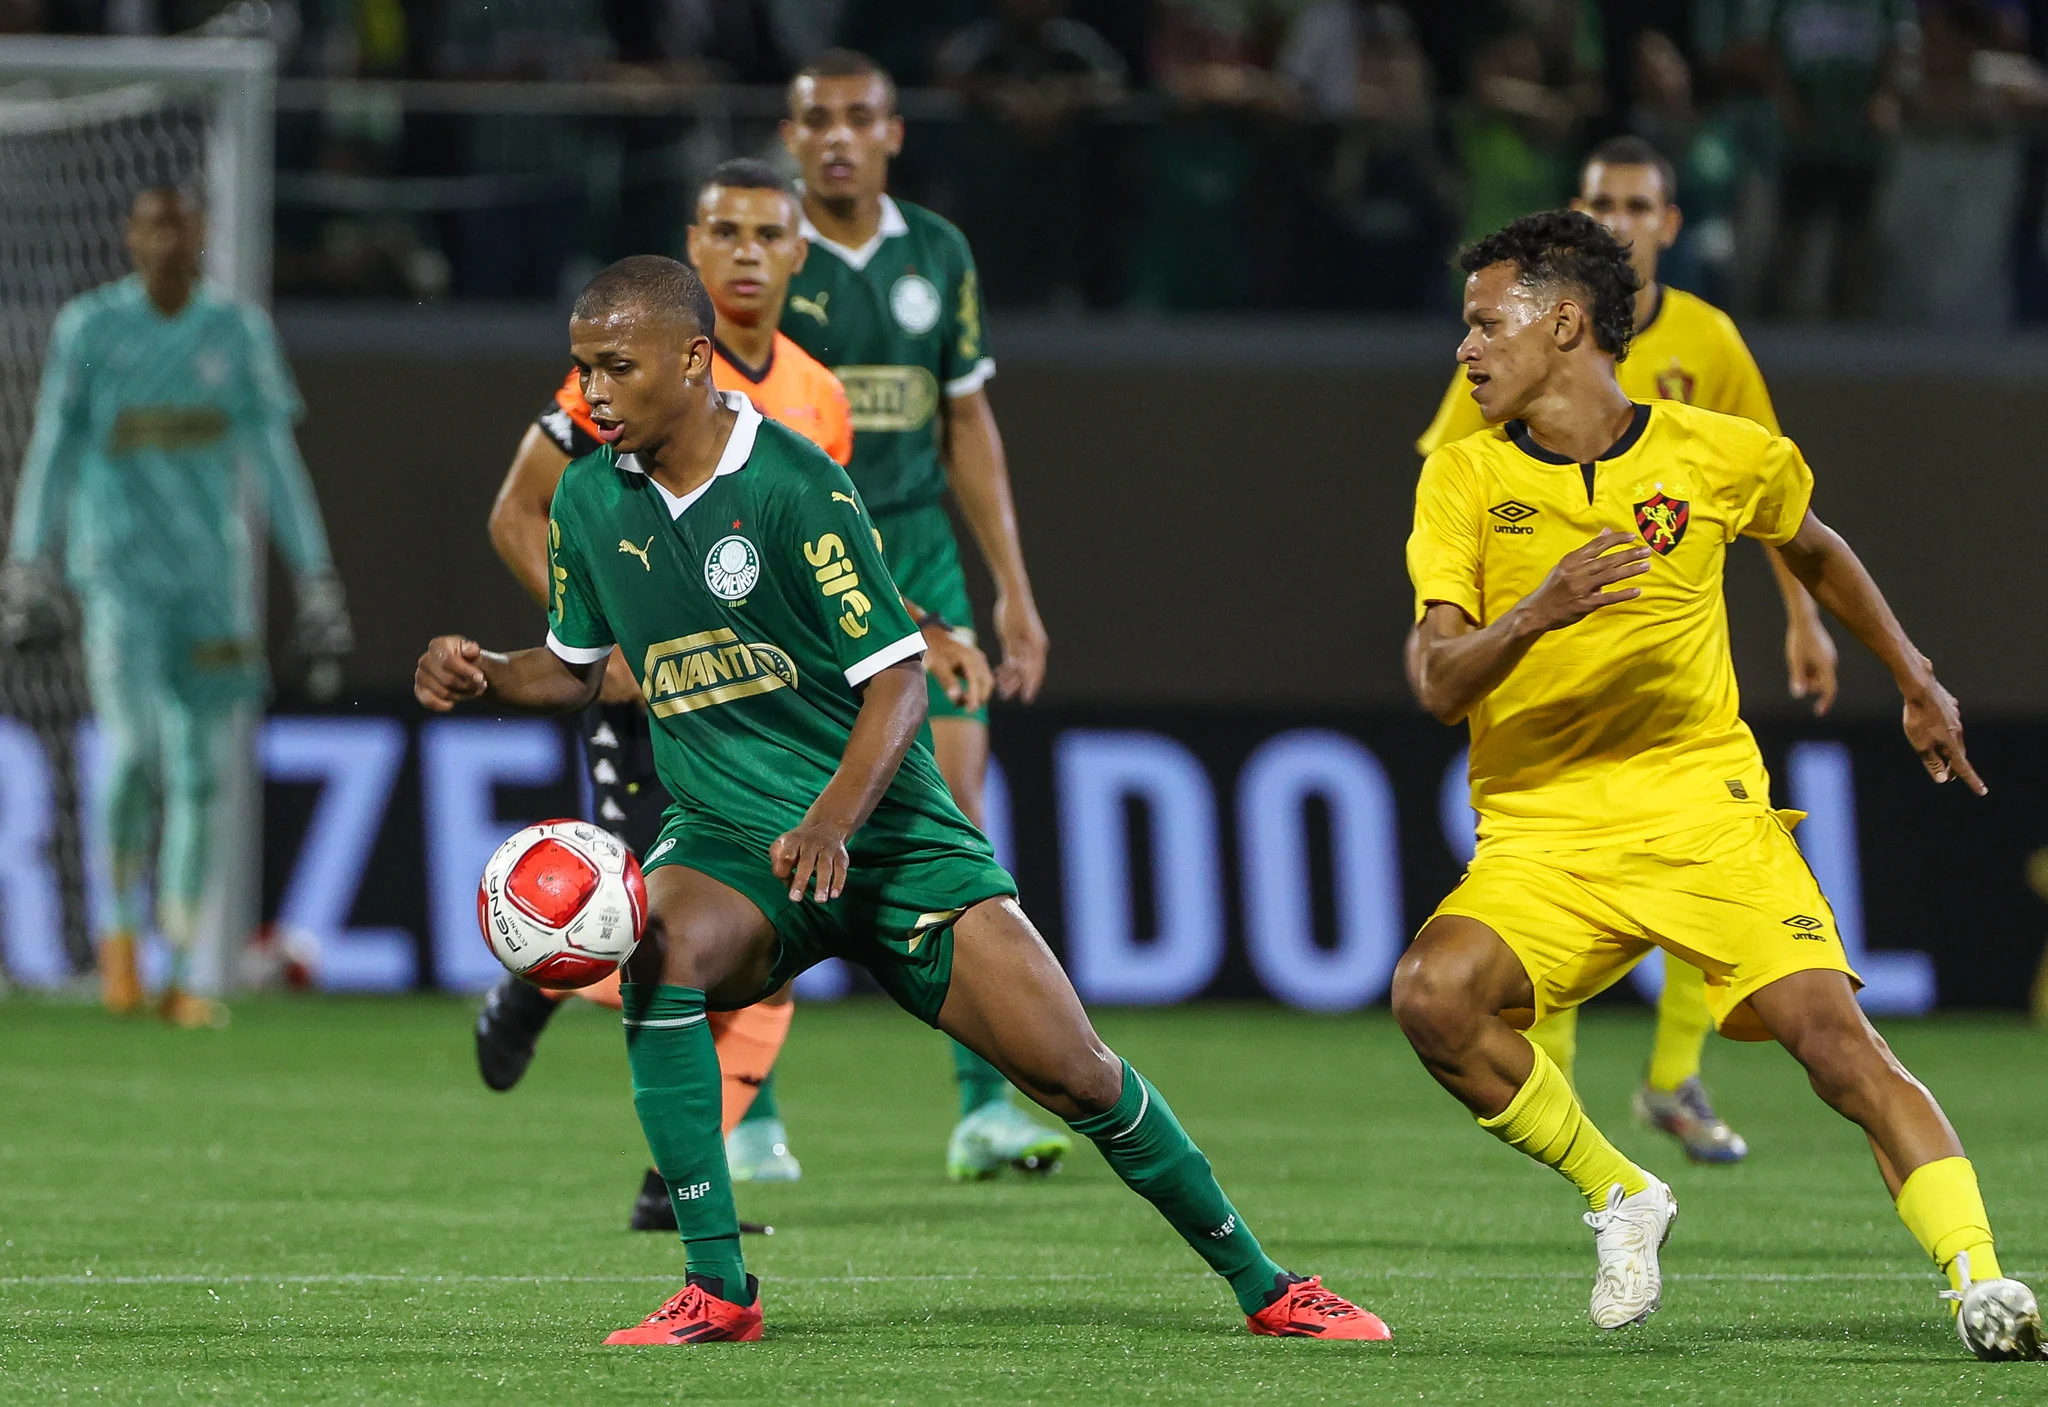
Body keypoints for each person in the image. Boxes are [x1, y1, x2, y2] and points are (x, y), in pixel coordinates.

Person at [414, 254, 1391, 1346]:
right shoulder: (592, 498)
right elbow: (580, 664)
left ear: (690, 362)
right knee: (655, 949)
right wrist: (491, 673)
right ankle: (719, 1289)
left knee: (1074, 1073)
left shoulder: (791, 481)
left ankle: (1265, 1284)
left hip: (886, 838)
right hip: (735, 842)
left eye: (613, 368)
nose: (589, 393)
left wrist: (833, 818)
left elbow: (897, 678)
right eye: (580, 369)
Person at [1395, 209, 2040, 1358]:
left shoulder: (1712, 452)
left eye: (1483, 323)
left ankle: (1979, 1280)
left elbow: (1814, 545)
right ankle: (1620, 1190)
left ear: (1564, 323)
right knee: (1432, 996)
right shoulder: (1460, 478)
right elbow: (1439, 682)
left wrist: (1911, 676)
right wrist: (1536, 612)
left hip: (1701, 809)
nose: (1464, 349)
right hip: (1543, 826)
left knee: (1836, 1046)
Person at [475, 161, 993, 1227]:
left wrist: (923, 631)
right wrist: (611, 633)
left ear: (798, 257)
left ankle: (675, 1181)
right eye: (726, 232)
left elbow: (829, 560)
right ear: (693, 251)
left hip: (763, 721)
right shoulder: (612, 378)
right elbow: (522, 514)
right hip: (649, 702)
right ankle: (549, 985)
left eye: (769, 234)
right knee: (649, 924)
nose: (748, 252)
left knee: (759, 923)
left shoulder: (817, 398)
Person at [1416, 135, 1839, 1166]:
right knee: (1540, 909)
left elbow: (1781, 504)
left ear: (1669, 222)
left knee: (1701, 871)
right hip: (1548, 688)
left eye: (1638, 203)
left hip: (1666, 671)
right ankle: (1583, 1129)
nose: (1619, 218)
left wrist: (1800, 616)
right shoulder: (1513, 343)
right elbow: (1455, 460)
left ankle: (1668, 1082)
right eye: (1601, 200)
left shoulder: (1706, 339)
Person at [778, 50, 1075, 1181]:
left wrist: (1012, 588)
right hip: (799, 568)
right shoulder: (767, 262)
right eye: (819, 121)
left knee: (954, 820)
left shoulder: (935, 255)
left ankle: (980, 1108)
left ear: (894, 132)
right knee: (789, 818)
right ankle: (748, 1108)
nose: (839, 137)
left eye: (860, 118)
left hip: (922, 560)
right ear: (792, 136)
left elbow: (967, 423)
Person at [0, 186, 352, 1028]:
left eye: (183, 225)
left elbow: (275, 460)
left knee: (199, 773)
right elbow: (53, 445)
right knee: (134, 754)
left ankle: (179, 969)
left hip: (213, 589)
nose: (166, 240)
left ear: (202, 236)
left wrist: (315, 577)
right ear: (131, 235)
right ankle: (118, 941)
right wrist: (25, 564)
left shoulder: (235, 334)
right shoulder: (91, 328)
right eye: (153, 224)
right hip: (118, 577)